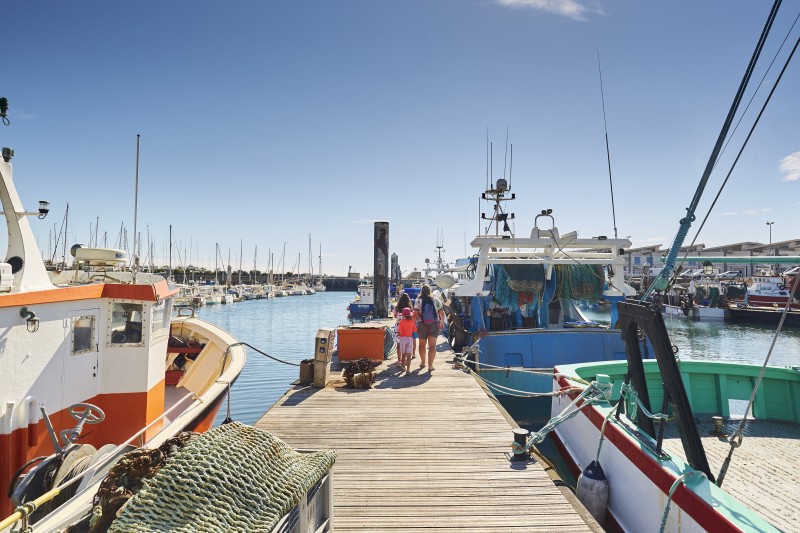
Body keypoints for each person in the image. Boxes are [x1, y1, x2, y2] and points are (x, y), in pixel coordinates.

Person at [414, 284, 444, 370]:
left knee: (422, 345)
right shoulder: (436, 299)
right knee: (432, 346)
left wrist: (413, 325)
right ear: (430, 291)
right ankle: (430, 366)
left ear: (421, 291)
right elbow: (441, 312)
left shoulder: (418, 301)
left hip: (422, 324)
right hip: (434, 324)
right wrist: (441, 322)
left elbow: (415, 314)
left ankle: (423, 363)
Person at [393, 292, 417, 357]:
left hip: (398, 327)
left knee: (398, 344)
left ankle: (399, 360)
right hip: (407, 328)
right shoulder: (410, 307)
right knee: (407, 343)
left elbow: (395, 316)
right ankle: (407, 358)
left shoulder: (397, 308)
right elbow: (412, 316)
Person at [397, 307, 417, 373]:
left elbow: (400, 332)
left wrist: (400, 335)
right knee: (409, 355)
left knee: (403, 354)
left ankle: (403, 366)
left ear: (403, 315)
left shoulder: (401, 322)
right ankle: (408, 369)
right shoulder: (412, 322)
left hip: (403, 338)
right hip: (410, 338)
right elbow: (415, 330)